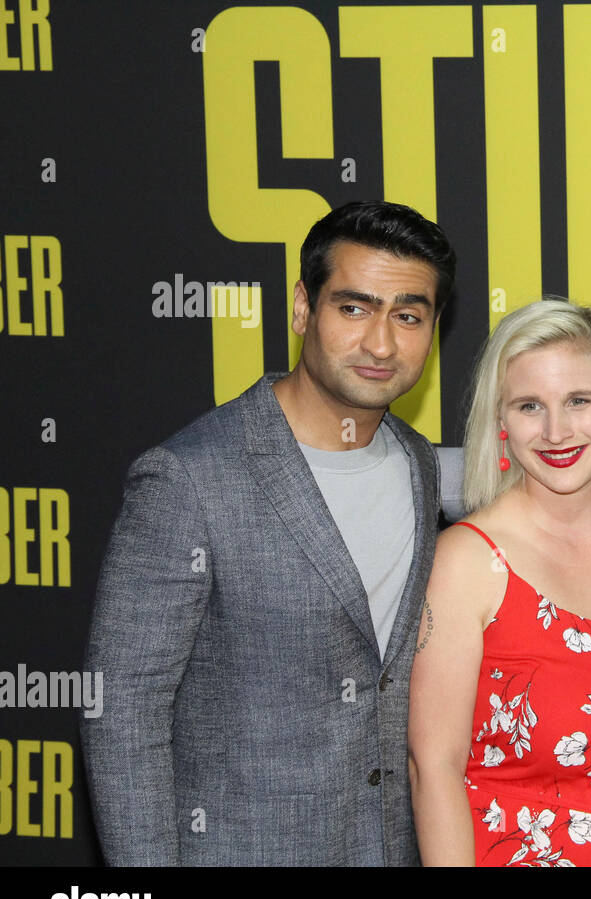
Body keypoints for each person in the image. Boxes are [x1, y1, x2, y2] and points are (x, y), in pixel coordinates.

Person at [81, 200, 456, 865]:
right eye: (353, 307)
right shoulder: (189, 478)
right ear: (302, 309)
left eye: (408, 316)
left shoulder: (418, 461)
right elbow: (122, 712)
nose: (380, 343)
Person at [409, 299, 591, 866]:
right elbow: (433, 769)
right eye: (528, 406)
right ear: (500, 421)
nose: (555, 431)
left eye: (578, 401)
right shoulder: (468, 563)